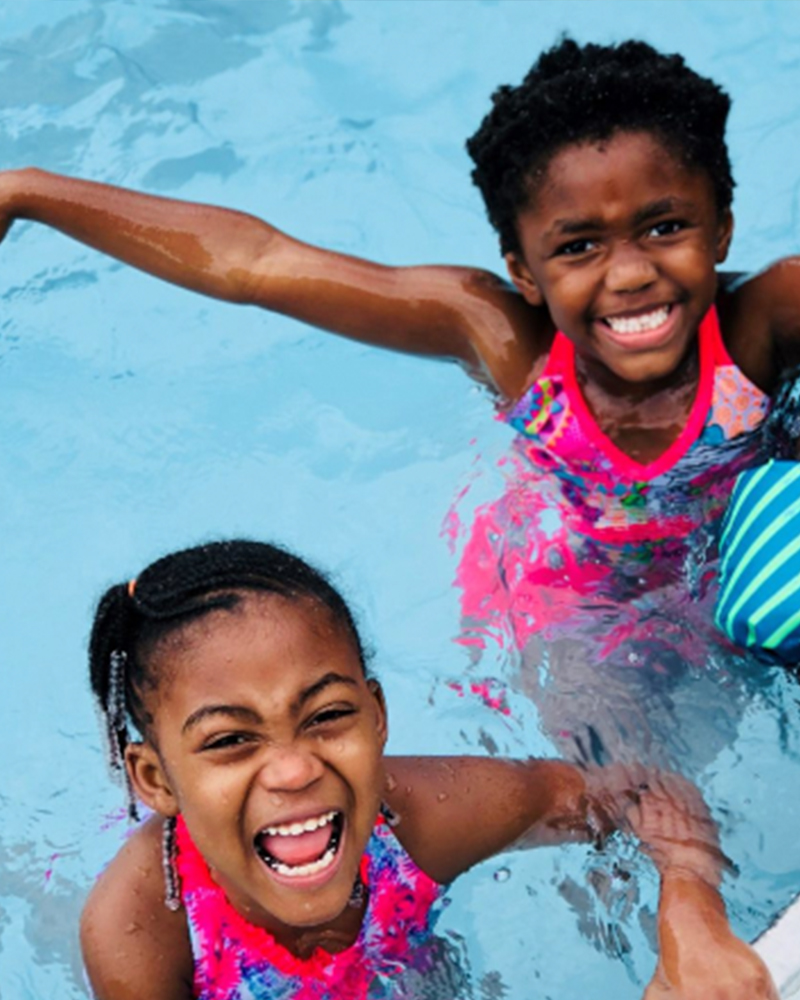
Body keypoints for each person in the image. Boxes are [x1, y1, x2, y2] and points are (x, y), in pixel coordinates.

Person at [1, 38, 795, 756]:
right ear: (524, 271)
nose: (628, 274)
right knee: (622, 794)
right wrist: (24, 192)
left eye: (664, 227)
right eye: (578, 246)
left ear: (722, 228)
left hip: (745, 556)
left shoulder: (764, 322)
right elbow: (255, 264)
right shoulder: (505, 340)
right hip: (582, 600)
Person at [81, 538, 775, 1000]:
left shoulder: (423, 821)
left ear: (376, 715)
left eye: (326, 716)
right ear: (156, 780)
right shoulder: (142, 932)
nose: (293, 770)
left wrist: (693, 917)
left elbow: (644, 791)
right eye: (231, 740)